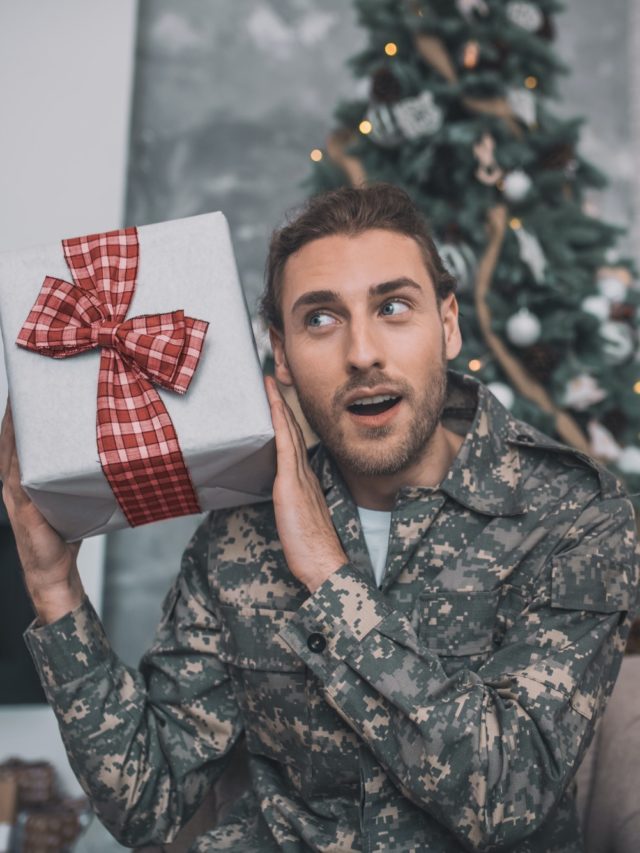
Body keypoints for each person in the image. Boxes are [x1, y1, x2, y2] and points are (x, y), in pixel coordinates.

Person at [1, 184, 637, 853]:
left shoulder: (576, 515)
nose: (361, 352)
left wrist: (328, 575)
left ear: (448, 324)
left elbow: (504, 794)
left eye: (393, 306)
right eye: (321, 320)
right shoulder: (241, 528)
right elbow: (147, 803)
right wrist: (54, 591)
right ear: (281, 352)